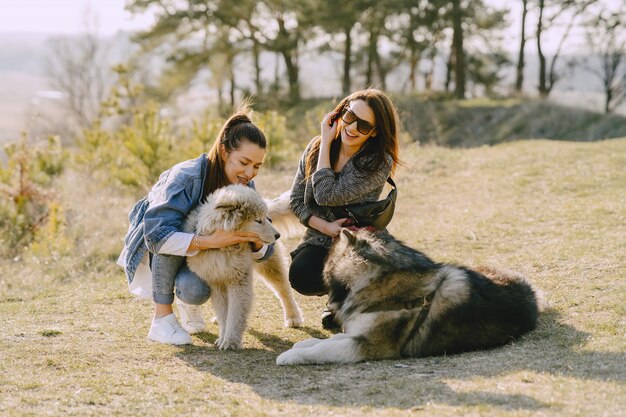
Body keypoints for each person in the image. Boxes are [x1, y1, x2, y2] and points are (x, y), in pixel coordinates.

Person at [118, 106, 273, 345]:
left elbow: (265, 249)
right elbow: (157, 236)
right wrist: (212, 241)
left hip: (201, 257)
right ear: (224, 151)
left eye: (257, 166)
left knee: (195, 291)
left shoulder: (244, 187)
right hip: (158, 248)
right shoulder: (187, 177)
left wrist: (256, 243)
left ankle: (187, 302)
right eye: (244, 162)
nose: (250, 173)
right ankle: (162, 319)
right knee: (175, 228)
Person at [288, 89, 401, 329]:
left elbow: (326, 194)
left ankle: (348, 299)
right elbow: (297, 200)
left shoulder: (378, 161)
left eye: (363, 126)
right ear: (340, 113)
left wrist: (327, 140)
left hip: (359, 241)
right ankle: (340, 296)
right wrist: (325, 227)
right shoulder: (315, 148)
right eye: (349, 116)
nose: (351, 128)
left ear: (374, 132)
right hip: (321, 238)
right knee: (301, 276)